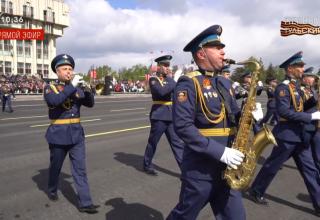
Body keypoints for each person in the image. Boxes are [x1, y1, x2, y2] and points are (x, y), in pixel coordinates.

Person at [167, 25, 247, 220]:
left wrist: (250, 115)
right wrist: (221, 152)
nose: (223, 51)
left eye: (222, 47)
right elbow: (184, 127)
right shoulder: (188, 83)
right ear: (201, 53)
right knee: (184, 215)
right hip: (201, 169)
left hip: (229, 169)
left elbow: (234, 116)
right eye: (217, 47)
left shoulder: (224, 83)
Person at [248, 52, 320, 217]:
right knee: (271, 167)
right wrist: (311, 117)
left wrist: (316, 101)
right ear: (290, 69)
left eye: (302, 66)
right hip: (286, 136)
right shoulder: (283, 88)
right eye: (300, 66)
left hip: (300, 136)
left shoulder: (297, 88)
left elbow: (302, 107)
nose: (303, 69)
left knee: (310, 171)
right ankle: (256, 190)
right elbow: (284, 112)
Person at [44, 54, 99, 214]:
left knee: (80, 169)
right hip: (58, 135)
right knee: (56, 166)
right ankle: (52, 188)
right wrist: (72, 87)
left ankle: (85, 203)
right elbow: (54, 101)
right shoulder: (50, 87)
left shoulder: (76, 87)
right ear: (57, 72)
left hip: (76, 135)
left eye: (70, 69)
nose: (68, 72)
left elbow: (90, 104)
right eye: (65, 69)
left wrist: (87, 90)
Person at [143, 55, 185, 175]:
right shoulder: (154, 79)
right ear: (159, 67)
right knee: (153, 142)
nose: (167, 68)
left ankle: (184, 171)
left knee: (177, 143)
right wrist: (174, 80)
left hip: (171, 115)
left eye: (168, 66)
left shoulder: (169, 80)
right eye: (165, 66)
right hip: (159, 115)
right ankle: (147, 164)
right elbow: (161, 92)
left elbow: (178, 94)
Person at [300, 67, 320, 172]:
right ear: (304, 78)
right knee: (301, 151)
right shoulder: (299, 90)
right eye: (311, 77)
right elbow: (301, 107)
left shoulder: (313, 90)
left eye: (313, 77)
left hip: (316, 126)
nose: (313, 79)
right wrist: (315, 98)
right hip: (305, 125)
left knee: (317, 155)